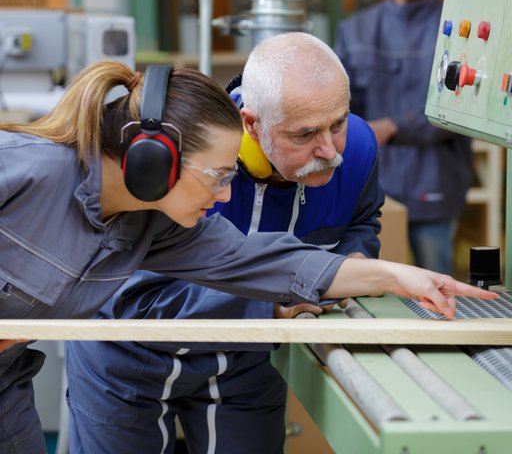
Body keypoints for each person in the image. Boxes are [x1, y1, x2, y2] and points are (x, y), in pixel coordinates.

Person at [0, 56, 493, 453]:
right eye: (217, 176)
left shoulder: (153, 226)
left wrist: (396, 277)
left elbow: (260, 260)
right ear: (155, 161)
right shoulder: (29, 169)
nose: (223, 197)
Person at [64, 32, 385, 454]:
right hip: (129, 354)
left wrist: (352, 261)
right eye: (304, 134)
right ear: (251, 124)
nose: (329, 149)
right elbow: (128, 294)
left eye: (338, 123)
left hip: (248, 358)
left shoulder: (356, 149)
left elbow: (362, 221)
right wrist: (267, 305)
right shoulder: (175, 157)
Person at [334, 0, 472, 274]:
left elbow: (459, 108)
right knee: (371, 287)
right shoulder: (356, 30)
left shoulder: (455, 31)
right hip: (372, 186)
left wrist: (395, 127)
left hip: (435, 177)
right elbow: (338, 106)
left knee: (436, 283)